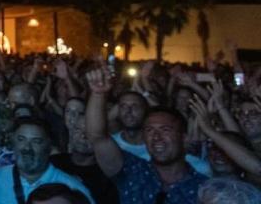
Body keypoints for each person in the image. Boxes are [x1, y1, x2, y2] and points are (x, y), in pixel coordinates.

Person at [86, 68, 206, 204]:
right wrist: (98, 94)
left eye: (165, 130)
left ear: (184, 138)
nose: (156, 137)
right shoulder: (132, 170)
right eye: (149, 130)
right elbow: (98, 137)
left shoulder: (204, 190)